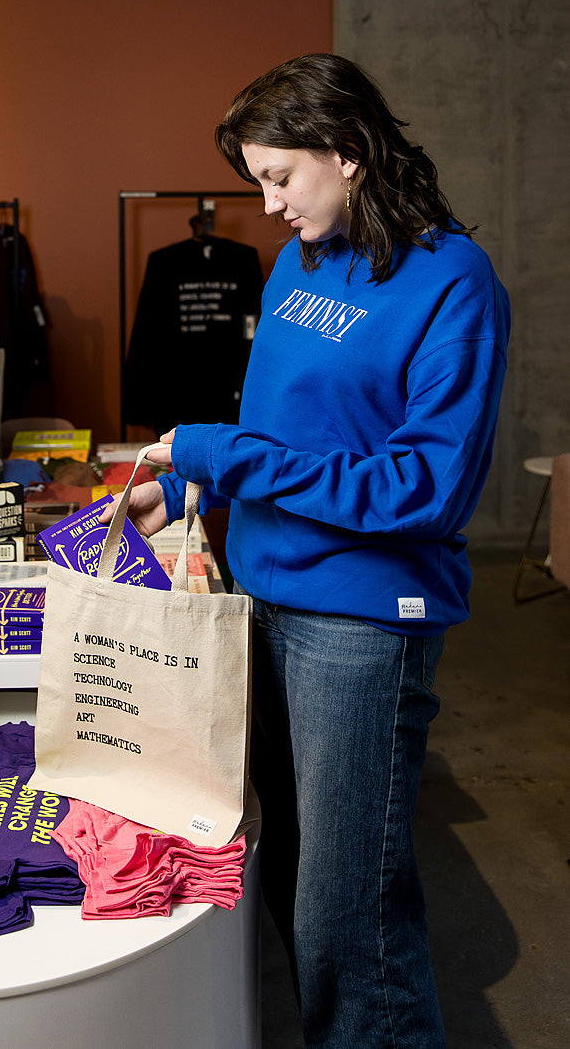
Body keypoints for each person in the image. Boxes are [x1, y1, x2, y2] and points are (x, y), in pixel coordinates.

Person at [104, 53, 510, 1047]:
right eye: (259, 183)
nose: (270, 204)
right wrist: (192, 486)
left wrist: (215, 450)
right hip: (263, 599)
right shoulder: (303, 260)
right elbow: (280, 426)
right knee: (287, 868)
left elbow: (423, 488)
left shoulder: (454, 283)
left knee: (351, 915)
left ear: (351, 150)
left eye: (281, 177)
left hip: (364, 626)